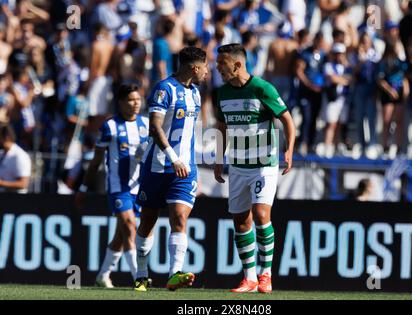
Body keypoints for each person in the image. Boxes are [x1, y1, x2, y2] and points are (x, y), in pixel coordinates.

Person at [214, 43, 295, 293]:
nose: (217, 68)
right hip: (238, 164)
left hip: (264, 163)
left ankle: (266, 275)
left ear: (237, 65)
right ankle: (248, 278)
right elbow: (222, 128)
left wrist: (289, 149)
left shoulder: (262, 88)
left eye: (222, 64)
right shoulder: (222, 93)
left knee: (261, 214)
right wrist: (219, 158)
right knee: (240, 221)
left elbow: (287, 119)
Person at [134, 46, 208, 292]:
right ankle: (141, 275)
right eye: (205, 67)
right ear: (195, 67)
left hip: (185, 169)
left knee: (179, 217)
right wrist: (172, 157)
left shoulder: (196, 94)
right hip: (158, 166)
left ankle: (174, 273)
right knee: (147, 221)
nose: (207, 72)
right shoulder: (164, 89)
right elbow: (155, 128)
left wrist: (182, 160)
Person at [75, 84, 149, 288]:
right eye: (131, 100)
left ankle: (102, 275)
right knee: (129, 226)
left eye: (138, 99)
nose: (136, 104)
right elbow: (96, 160)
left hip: (139, 188)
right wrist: (83, 188)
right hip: (118, 187)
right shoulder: (110, 126)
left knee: (121, 235)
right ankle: (139, 278)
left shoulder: (146, 124)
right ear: (121, 103)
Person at [0, 123, 32, 193]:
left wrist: (1, 183)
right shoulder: (1, 154)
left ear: (6, 137)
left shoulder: (20, 156)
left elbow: (23, 184)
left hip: (15, 201)